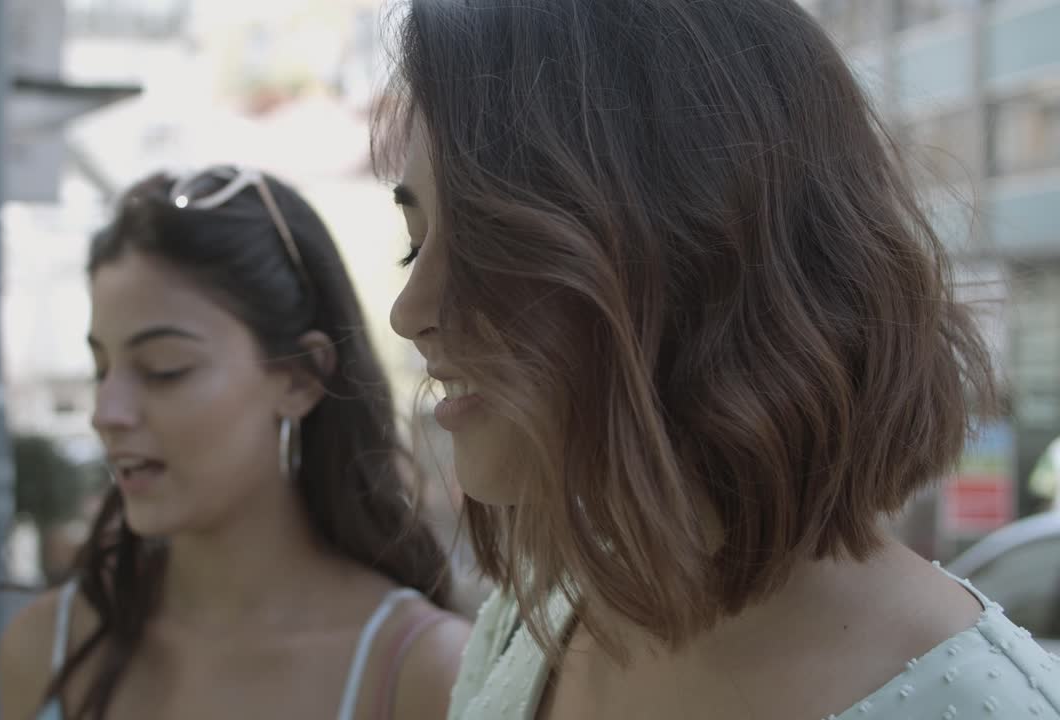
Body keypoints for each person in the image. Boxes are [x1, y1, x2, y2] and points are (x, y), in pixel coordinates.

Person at [375, 1, 1060, 718]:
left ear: (695, 247)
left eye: (489, 241)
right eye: (414, 245)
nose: (408, 312)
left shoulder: (989, 704)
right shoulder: (537, 613)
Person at [0, 166, 470, 720]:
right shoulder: (49, 650)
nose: (107, 414)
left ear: (300, 379)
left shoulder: (423, 672)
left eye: (163, 369)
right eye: (102, 369)